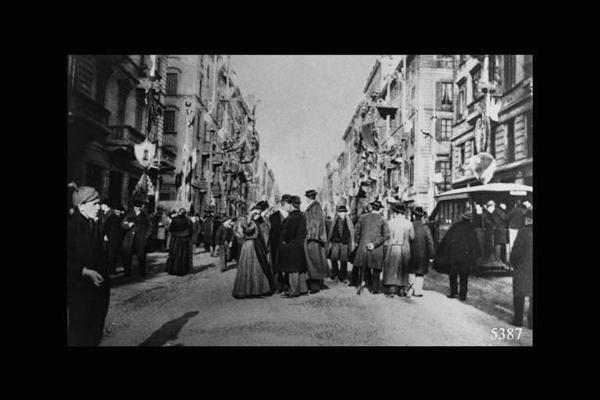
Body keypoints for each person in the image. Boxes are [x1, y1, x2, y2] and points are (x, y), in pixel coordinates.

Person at [67, 186, 110, 346]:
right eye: (95, 204)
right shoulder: (72, 226)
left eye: (99, 203)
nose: (99, 207)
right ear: (81, 206)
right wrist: (84, 271)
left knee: (95, 330)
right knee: (80, 332)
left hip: (98, 289)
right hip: (80, 289)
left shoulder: (95, 224)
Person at [434, 211, 481, 301]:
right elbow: (474, 243)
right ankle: (463, 295)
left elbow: (446, 240)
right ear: (469, 219)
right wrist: (475, 255)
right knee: (464, 276)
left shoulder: (455, 226)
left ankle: (454, 292)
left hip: (454, 255)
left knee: (453, 274)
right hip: (465, 256)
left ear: (462, 217)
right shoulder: (471, 228)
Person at [232, 206, 274, 299]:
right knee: (251, 267)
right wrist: (250, 215)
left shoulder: (255, 221)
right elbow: (247, 230)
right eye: (256, 213)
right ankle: (249, 290)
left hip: (256, 245)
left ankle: (257, 290)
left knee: (258, 267)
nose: (257, 215)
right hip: (249, 245)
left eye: (258, 213)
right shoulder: (244, 219)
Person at [353, 200, 391, 294]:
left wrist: (359, 243)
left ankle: (366, 283)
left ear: (371, 208)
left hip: (364, 246)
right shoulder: (382, 219)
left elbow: (356, 232)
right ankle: (375, 288)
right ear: (380, 209)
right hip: (377, 248)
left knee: (365, 266)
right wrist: (374, 244)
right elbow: (386, 235)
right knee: (376, 268)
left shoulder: (362, 217)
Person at [278, 195, 309, 297]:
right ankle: (303, 289)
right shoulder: (302, 216)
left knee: (293, 269)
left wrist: (285, 242)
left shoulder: (292, 218)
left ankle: (294, 290)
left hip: (291, 246)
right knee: (300, 268)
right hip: (299, 245)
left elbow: (289, 233)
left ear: (291, 205)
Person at [382, 202, 414, 297]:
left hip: (393, 247)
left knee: (392, 266)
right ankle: (402, 288)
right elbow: (412, 237)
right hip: (404, 247)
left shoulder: (390, 222)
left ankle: (392, 288)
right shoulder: (408, 223)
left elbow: (386, 236)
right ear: (404, 213)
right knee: (403, 267)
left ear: (395, 212)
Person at [510, 208, 533, 328]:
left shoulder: (523, 232)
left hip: (522, 269)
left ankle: (518, 320)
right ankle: (532, 322)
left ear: (527, 219)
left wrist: (513, 263)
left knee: (519, 294)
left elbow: (516, 252)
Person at [303, 189, 330, 293]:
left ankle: (315, 286)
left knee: (314, 261)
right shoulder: (315, 206)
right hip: (315, 239)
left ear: (309, 198)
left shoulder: (314, 207)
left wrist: (310, 235)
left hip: (313, 239)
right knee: (315, 261)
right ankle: (315, 283)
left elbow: (314, 223)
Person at [408, 206, 435, 297]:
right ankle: (417, 291)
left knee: (411, 271)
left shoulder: (410, 226)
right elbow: (430, 242)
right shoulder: (426, 228)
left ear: (414, 216)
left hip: (410, 252)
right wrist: (432, 255)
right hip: (422, 254)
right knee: (420, 273)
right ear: (422, 217)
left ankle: (410, 287)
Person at [121, 200, 152, 277]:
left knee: (141, 255)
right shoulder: (129, 214)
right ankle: (127, 272)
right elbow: (122, 224)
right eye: (136, 207)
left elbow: (150, 226)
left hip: (140, 238)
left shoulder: (145, 216)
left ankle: (142, 272)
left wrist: (146, 236)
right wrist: (128, 225)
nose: (137, 209)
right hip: (129, 238)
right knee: (127, 255)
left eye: (138, 207)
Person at [327, 205, 354, 284]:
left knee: (344, 260)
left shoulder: (349, 222)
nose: (342, 214)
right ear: (338, 213)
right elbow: (331, 231)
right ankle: (335, 274)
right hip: (336, 242)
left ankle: (343, 276)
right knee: (334, 258)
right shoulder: (334, 221)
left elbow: (351, 232)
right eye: (340, 212)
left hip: (344, 243)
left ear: (346, 213)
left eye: (343, 212)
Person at [269, 194, 290, 293]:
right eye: (289, 204)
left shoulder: (291, 216)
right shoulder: (273, 217)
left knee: (287, 265)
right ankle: (278, 285)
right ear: (284, 204)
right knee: (277, 265)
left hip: (288, 246)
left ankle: (286, 283)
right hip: (276, 245)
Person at [166, 208, 194, 276]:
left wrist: (168, 242)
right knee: (184, 255)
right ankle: (183, 270)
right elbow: (191, 231)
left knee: (175, 254)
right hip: (185, 239)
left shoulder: (174, 220)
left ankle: (173, 269)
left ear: (179, 213)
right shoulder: (188, 220)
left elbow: (170, 230)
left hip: (176, 239)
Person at [103, 203, 125, 275]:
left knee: (116, 254)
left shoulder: (121, 218)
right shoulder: (111, 218)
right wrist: (105, 235)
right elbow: (106, 227)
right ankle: (111, 270)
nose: (117, 211)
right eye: (116, 210)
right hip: (112, 238)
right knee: (111, 254)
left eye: (119, 210)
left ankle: (113, 269)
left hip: (119, 238)